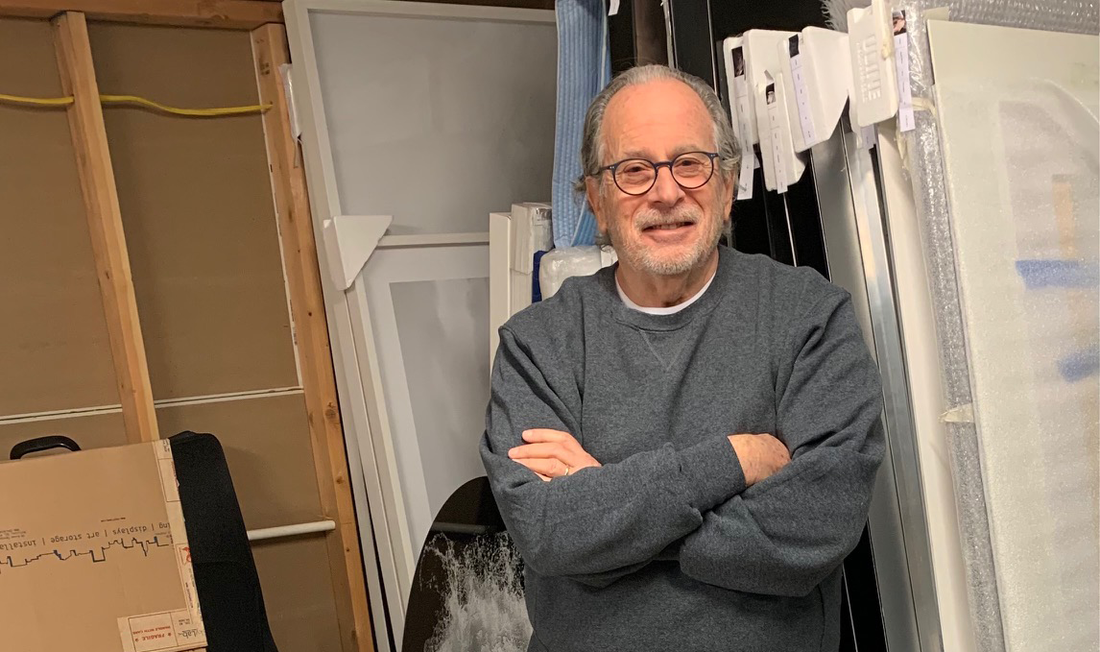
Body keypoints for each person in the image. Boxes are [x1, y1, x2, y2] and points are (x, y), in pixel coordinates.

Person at [480, 64, 885, 651]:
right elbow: (548, 530)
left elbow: (818, 524)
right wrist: (732, 461)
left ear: (726, 187)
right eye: (634, 171)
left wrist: (610, 505)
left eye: (690, 164)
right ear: (595, 198)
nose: (667, 193)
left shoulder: (807, 318)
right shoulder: (537, 345)